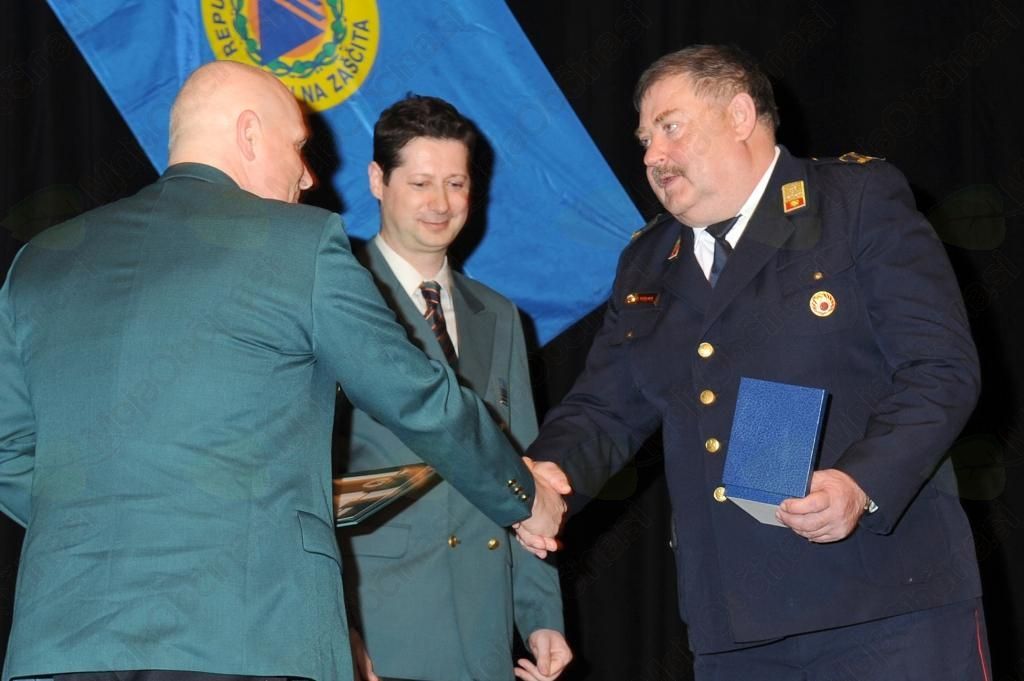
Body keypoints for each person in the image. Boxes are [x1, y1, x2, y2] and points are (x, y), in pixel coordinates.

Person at [0, 61, 569, 681]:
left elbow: (6, 453)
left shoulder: (40, 262)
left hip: (59, 645)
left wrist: (113, 527)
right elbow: (417, 399)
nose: (308, 174)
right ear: (249, 134)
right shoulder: (299, 244)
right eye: (297, 147)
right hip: (248, 634)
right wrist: (525, 497)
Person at [521, 44, 989, 679]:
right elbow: (604, 409)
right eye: (646, 139)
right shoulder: (646, 262)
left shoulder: (852, 202)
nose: (652, 155)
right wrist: (548, 480)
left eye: (670, 127)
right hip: (735, 625)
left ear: (740, 115)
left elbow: (940, 370)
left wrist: (860, 485)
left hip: (885, 604)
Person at [333, 95, 571, 681]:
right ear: (377, 181)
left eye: (456, 183)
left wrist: (541, 615)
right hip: (381, 627)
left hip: (485, 628)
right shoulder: (336, 297)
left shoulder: (499, 314)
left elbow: (524, 469)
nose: (441, 204)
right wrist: (338, 632)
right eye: (420, 183)